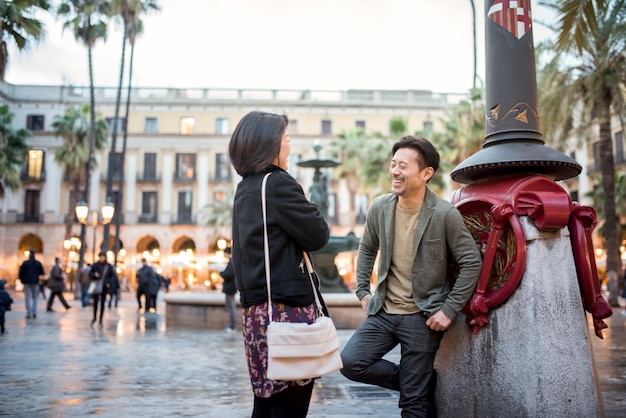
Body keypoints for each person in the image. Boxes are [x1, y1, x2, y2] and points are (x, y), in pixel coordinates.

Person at [339, 136, 482, 417]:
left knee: (413, 407)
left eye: (403, 166)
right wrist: (363, 291)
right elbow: (367, 248)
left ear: (426, 173)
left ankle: (416, 389)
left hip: (422, 316)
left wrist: (448, 310)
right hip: (383, 311)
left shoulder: (444, 214)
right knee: (350, 362)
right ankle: (418, 384)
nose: (394, 171)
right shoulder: (380, 207)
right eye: (393, 164)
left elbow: (471, 262)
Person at [229, 111, 330, 418]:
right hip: (288, 315)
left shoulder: (246, 188)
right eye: (286, 138)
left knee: (265, 404)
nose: (290, 144)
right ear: (270, 144)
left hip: (258, 315)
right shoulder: (278, 184)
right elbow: (318, 234)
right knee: (290, 408)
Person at [89, 252, 117, 327]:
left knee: (102, 304)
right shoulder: (95, 265)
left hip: (104, 287)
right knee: (95, 303)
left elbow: (112, 276)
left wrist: (108, 283)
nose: (102, 258)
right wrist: (94, 275)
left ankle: (101, 320)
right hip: (96, 285)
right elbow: (90, 274)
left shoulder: (108, 266)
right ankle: (94, 318)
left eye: (103, 257)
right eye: (100, 256)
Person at [18, 249, 45, 319]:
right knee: (35, 297)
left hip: (27, 282)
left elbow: (21, 272)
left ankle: (29, 312)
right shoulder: (38, 263)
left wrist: (22, 280)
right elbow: (42, 272)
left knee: (27, 297)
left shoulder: (25, 263)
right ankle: (34, 312)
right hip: (35, 282)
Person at [220, 250, 237, 333]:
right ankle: (231, 325)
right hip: (231, 288)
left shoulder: (231, 262)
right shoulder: (233, 261)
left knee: (231, 307)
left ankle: (232, 326)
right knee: (231, 307)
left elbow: (228, 274)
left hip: (230, 288)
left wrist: (221, 273)